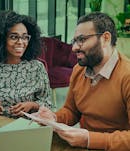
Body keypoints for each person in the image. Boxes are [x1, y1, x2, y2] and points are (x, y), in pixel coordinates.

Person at [34, 12, 130, 150]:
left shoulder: (126, 75)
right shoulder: (78, 70)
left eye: (82, 40)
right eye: (74, 41)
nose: (74, 48)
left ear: (105, 38)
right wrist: (53, 118)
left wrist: (89, 139)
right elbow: (71, 111)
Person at [0, 10, 52, 119]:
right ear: (0, 39)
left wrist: (32, 105)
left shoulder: (37, 68)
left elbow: (48, 105)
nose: (21, 42)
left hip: (28, 126)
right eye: (14, 37)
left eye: (25, 37)